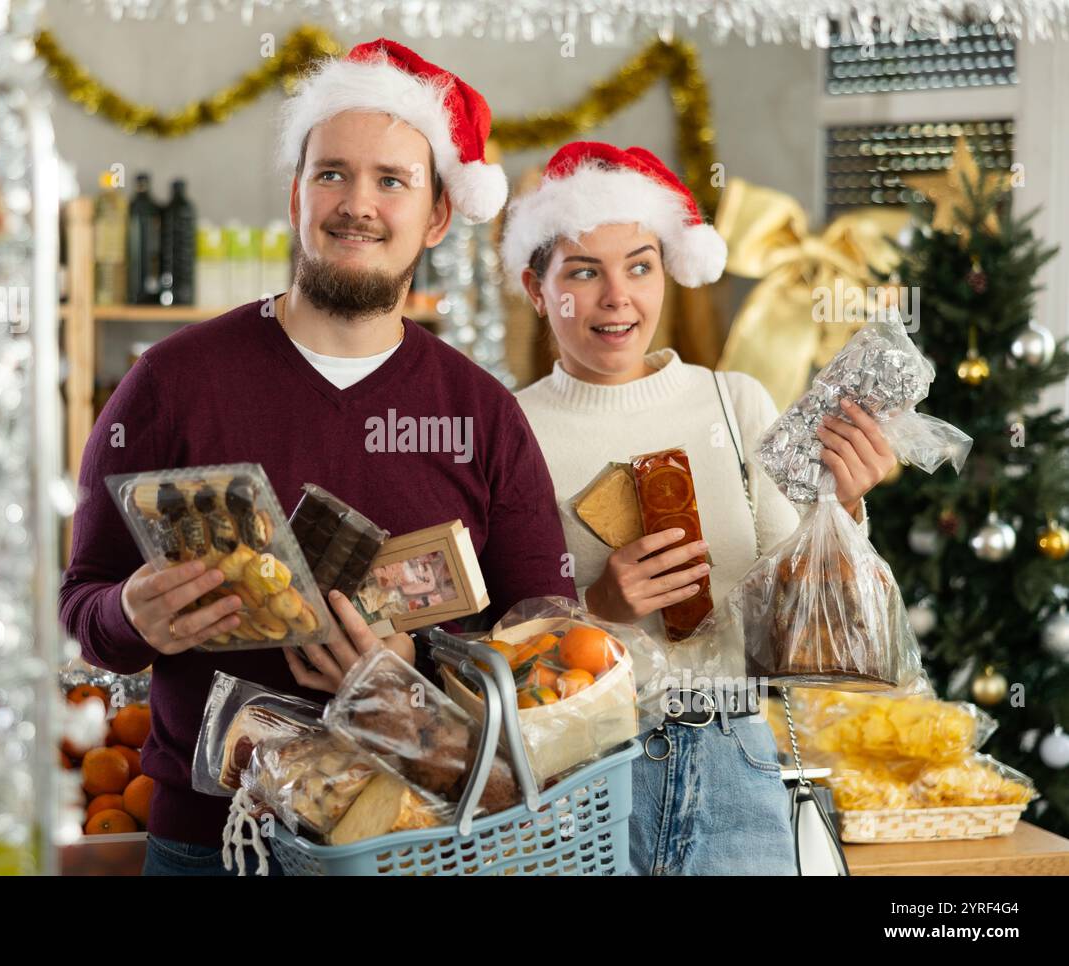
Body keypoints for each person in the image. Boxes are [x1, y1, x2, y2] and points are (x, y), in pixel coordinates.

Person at [59, 39, 576, 876]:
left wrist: (406, 677)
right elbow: (83, 605)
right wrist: (132, 616)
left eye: (392, 181)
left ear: (438, 216)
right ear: (297, 195)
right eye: (332, 174)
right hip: (211, 844)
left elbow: (547, 655)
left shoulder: (482, 415)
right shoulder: (169, 383)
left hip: (417, 843)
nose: (356, 204)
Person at [503, 141, 897, 875]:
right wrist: (600, 610)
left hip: (734, 763)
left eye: (640, 266)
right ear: (537, 287)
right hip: (582, 780)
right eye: (584, 272)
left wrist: (841, 509)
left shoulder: (735, 400)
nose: (618, 297)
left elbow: (798, 621)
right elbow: (494, 650)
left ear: (670, 274)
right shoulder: (508, 427)